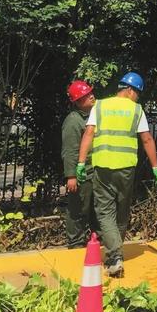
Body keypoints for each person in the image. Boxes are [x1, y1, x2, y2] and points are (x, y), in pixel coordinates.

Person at [76, 71, 157, 277]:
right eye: (138, 93)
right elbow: (147, 139)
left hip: (103, 167)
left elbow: (89, 133)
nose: (137, 97)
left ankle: (114, 255)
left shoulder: (101, 106)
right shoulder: (136, 110)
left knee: (105, 211)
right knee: (122, 209)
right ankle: (116, 253)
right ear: (131, 90)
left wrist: (80, 163)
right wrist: (156, 167)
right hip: (125, 169)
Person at [61, 80, 97, 248]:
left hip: (94, 171)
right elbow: (70, 150)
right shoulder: (73, 121)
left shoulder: (93, 116)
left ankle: (95, 240)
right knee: (78, 210)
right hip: (82, 173)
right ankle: (75, 242)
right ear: (78, 101)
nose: (91, 96)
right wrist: (71, 176)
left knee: (94, 209)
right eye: (85, 95)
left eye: (90, 93)